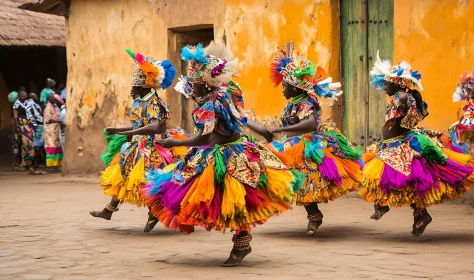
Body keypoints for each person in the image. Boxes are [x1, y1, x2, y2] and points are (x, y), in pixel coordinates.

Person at [142, 42, 301, 267]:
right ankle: (242, 242)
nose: (192, 90)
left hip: (227, 151)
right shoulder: (216, 93)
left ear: (207, 83)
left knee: (236, 197)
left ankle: (242, 243)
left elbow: (209, 138)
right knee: (181, 188)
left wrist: (177, 142)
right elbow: (240, 118)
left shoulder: (219, 100)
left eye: (195, 85)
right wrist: (260, 129)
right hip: (211, 149)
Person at [360, 52, 474, 236]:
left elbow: (404, 111)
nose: (384, 87)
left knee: (404, 179)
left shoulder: (401, 97)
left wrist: (404, 86)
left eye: (386, 83)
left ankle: (390, 207)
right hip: (393, 143)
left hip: (400, 144)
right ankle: (413, 213)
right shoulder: (401, 96)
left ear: (398, 83)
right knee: (404, 181)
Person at [248, 41, 362, 235]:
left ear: (296, 86)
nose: (282, 89)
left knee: (305, 180)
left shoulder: (308, 101)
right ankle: (307, 213)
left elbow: (310, 124)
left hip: (310, 143)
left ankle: (313, 215)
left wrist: (281, 129)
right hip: (290, 144)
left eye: (285, 86)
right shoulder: (293, 102)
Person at [90, 49, 184, 233]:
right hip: (138, 146)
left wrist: (124, 132)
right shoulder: (140, 102)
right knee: (123, 175)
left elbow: (155, 127)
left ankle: (154, 213)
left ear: (142, 87)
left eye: (133, 88)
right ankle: (109, 210)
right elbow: (138, 126)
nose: (131, 91)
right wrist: (120, 131)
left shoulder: (154, 103)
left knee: (150, 182)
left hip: (155, 148)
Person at [12, 90, 44, 174]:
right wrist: (19, 127)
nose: (27, 95)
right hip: (23, 126)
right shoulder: (16, 104)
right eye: (26, 94)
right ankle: (24, 164)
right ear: (22, 95)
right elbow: (15, 117)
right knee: (25, 144)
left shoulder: (27, 103)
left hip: (28, 126)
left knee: (30, 144)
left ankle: (28, 164)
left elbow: (30, 115)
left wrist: (33, 125)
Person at [43, 94, 64, 168]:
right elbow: (48, 119)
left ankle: (57, 163)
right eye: (53, 98)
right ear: (49, 99)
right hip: (50, 130)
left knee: (57, 145)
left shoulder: (54, 106)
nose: (54, 99)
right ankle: (51, 164)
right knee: (51, 145)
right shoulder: (48, 107)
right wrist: (59, 121)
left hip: (55, 129)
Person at [29, 93, 45, 168]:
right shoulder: (31, 104)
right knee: (37, 145)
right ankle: (36, 163)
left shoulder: (36, 105)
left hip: (40, 126)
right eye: (35, 96)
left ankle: (38, 162)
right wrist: (34, 124)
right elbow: (31, 115)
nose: (37, 97)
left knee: (39, 145)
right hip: (37, 126)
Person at [8, 91, 21, 171]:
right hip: (15, 133)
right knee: (16, 148)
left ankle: (16, 163)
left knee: (16, 147)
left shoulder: (12, 118)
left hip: (14, 134)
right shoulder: (15, 119)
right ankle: (15, 163)